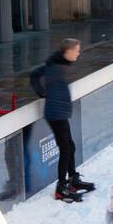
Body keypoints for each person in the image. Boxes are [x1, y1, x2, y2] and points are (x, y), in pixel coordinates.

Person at [30, 38, 94, 201]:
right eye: (77, 50)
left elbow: (35, 74)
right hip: (56, 114)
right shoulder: (57, 68)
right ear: (68, 51)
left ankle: (72, 179)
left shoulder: (57, 64)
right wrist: (43, 92)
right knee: (66, 148)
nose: (79, 53)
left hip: (59, 112)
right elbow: (40, 77)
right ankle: (61, 187)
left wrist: (40, 91)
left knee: (70, 146)